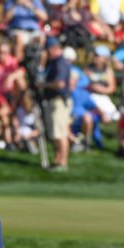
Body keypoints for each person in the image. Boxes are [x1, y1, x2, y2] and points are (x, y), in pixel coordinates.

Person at [41, 35, 71, 171]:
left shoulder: (60, 62)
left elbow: (59, 84)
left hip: (59, 101)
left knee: (60, 133)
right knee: (56, 133)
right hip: (53, 100)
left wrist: (44, 85)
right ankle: (58, 160)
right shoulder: (54, 62)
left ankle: (62, 162)